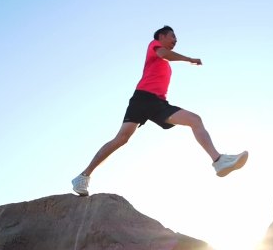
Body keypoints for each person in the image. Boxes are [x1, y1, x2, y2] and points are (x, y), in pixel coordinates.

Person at [71, 25, 248, 196]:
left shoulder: (166, 65)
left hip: (158, 104)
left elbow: (165, 64)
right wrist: (190, 59)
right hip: (142, 99)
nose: (175, 40)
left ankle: (219, 162)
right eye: (172, 37)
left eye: (176, 39)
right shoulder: (154, 46)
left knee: (195, 120)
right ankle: (83, 176)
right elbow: (165, 54)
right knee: (121, 139)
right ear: (161, 37)